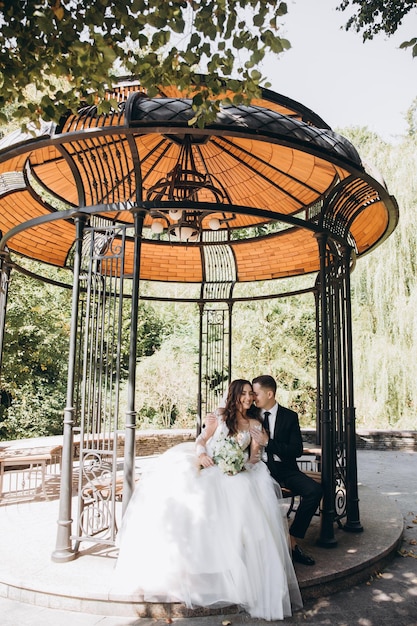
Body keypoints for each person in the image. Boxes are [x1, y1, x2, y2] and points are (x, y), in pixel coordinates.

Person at [112, 379, 302, 621]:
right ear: (234, 395)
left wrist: (239, 465)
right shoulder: (218, 417)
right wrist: (201, 454)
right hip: (210, 465)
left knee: (240, 496)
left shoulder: (255, 423)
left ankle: (232, 566)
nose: (248, 398)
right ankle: (190, 567)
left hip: (236, 472)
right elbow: (201, 441)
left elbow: (255, 456)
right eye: (243, 393)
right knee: (189, 494)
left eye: (250, 394)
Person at [251, 375, 322, 566]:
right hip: (259, 468)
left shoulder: (290, 417)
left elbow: (296, 450)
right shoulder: (250, 414)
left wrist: (269, 443)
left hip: (285, 469)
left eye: (255, 393)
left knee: (314, 491)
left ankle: (292, 539)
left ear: (269, 393)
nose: (252, 397)